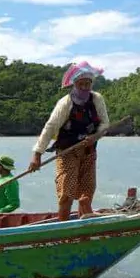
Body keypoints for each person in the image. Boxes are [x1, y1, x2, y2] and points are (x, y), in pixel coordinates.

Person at [29, 61, 110, 221]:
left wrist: (96, 136)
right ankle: (62, 226)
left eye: (88, 83)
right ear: (75, 84)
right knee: (66, 194)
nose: (85, 87)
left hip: (89, 151)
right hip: (67, 152)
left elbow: (105, 124)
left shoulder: (97, 99)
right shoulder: (66, 103)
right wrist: (37, 154)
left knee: (86, 193)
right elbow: (50, 127)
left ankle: (83, 226)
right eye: (81, 84)